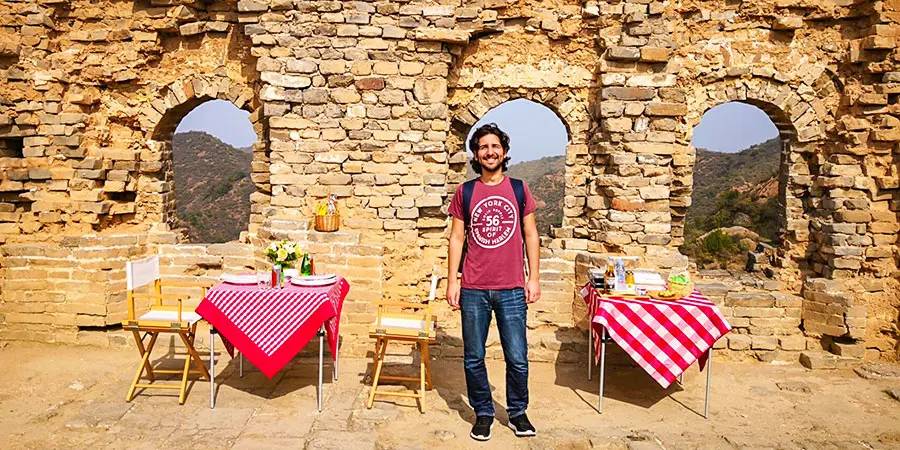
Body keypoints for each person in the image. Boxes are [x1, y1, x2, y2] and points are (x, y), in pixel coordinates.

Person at [446, 123, 541, 441]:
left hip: (513, 287)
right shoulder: (466, 192)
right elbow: (457, 237)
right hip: (473, 287)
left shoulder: (518, 188)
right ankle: (483, 413)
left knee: (517, 356)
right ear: (476, 154)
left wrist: (534, 277)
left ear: (504, 151)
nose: (490, 151)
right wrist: (452, 281)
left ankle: (517, 413)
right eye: (483, 147)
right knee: (474, 357)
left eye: (495, 146)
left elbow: (531, 234)